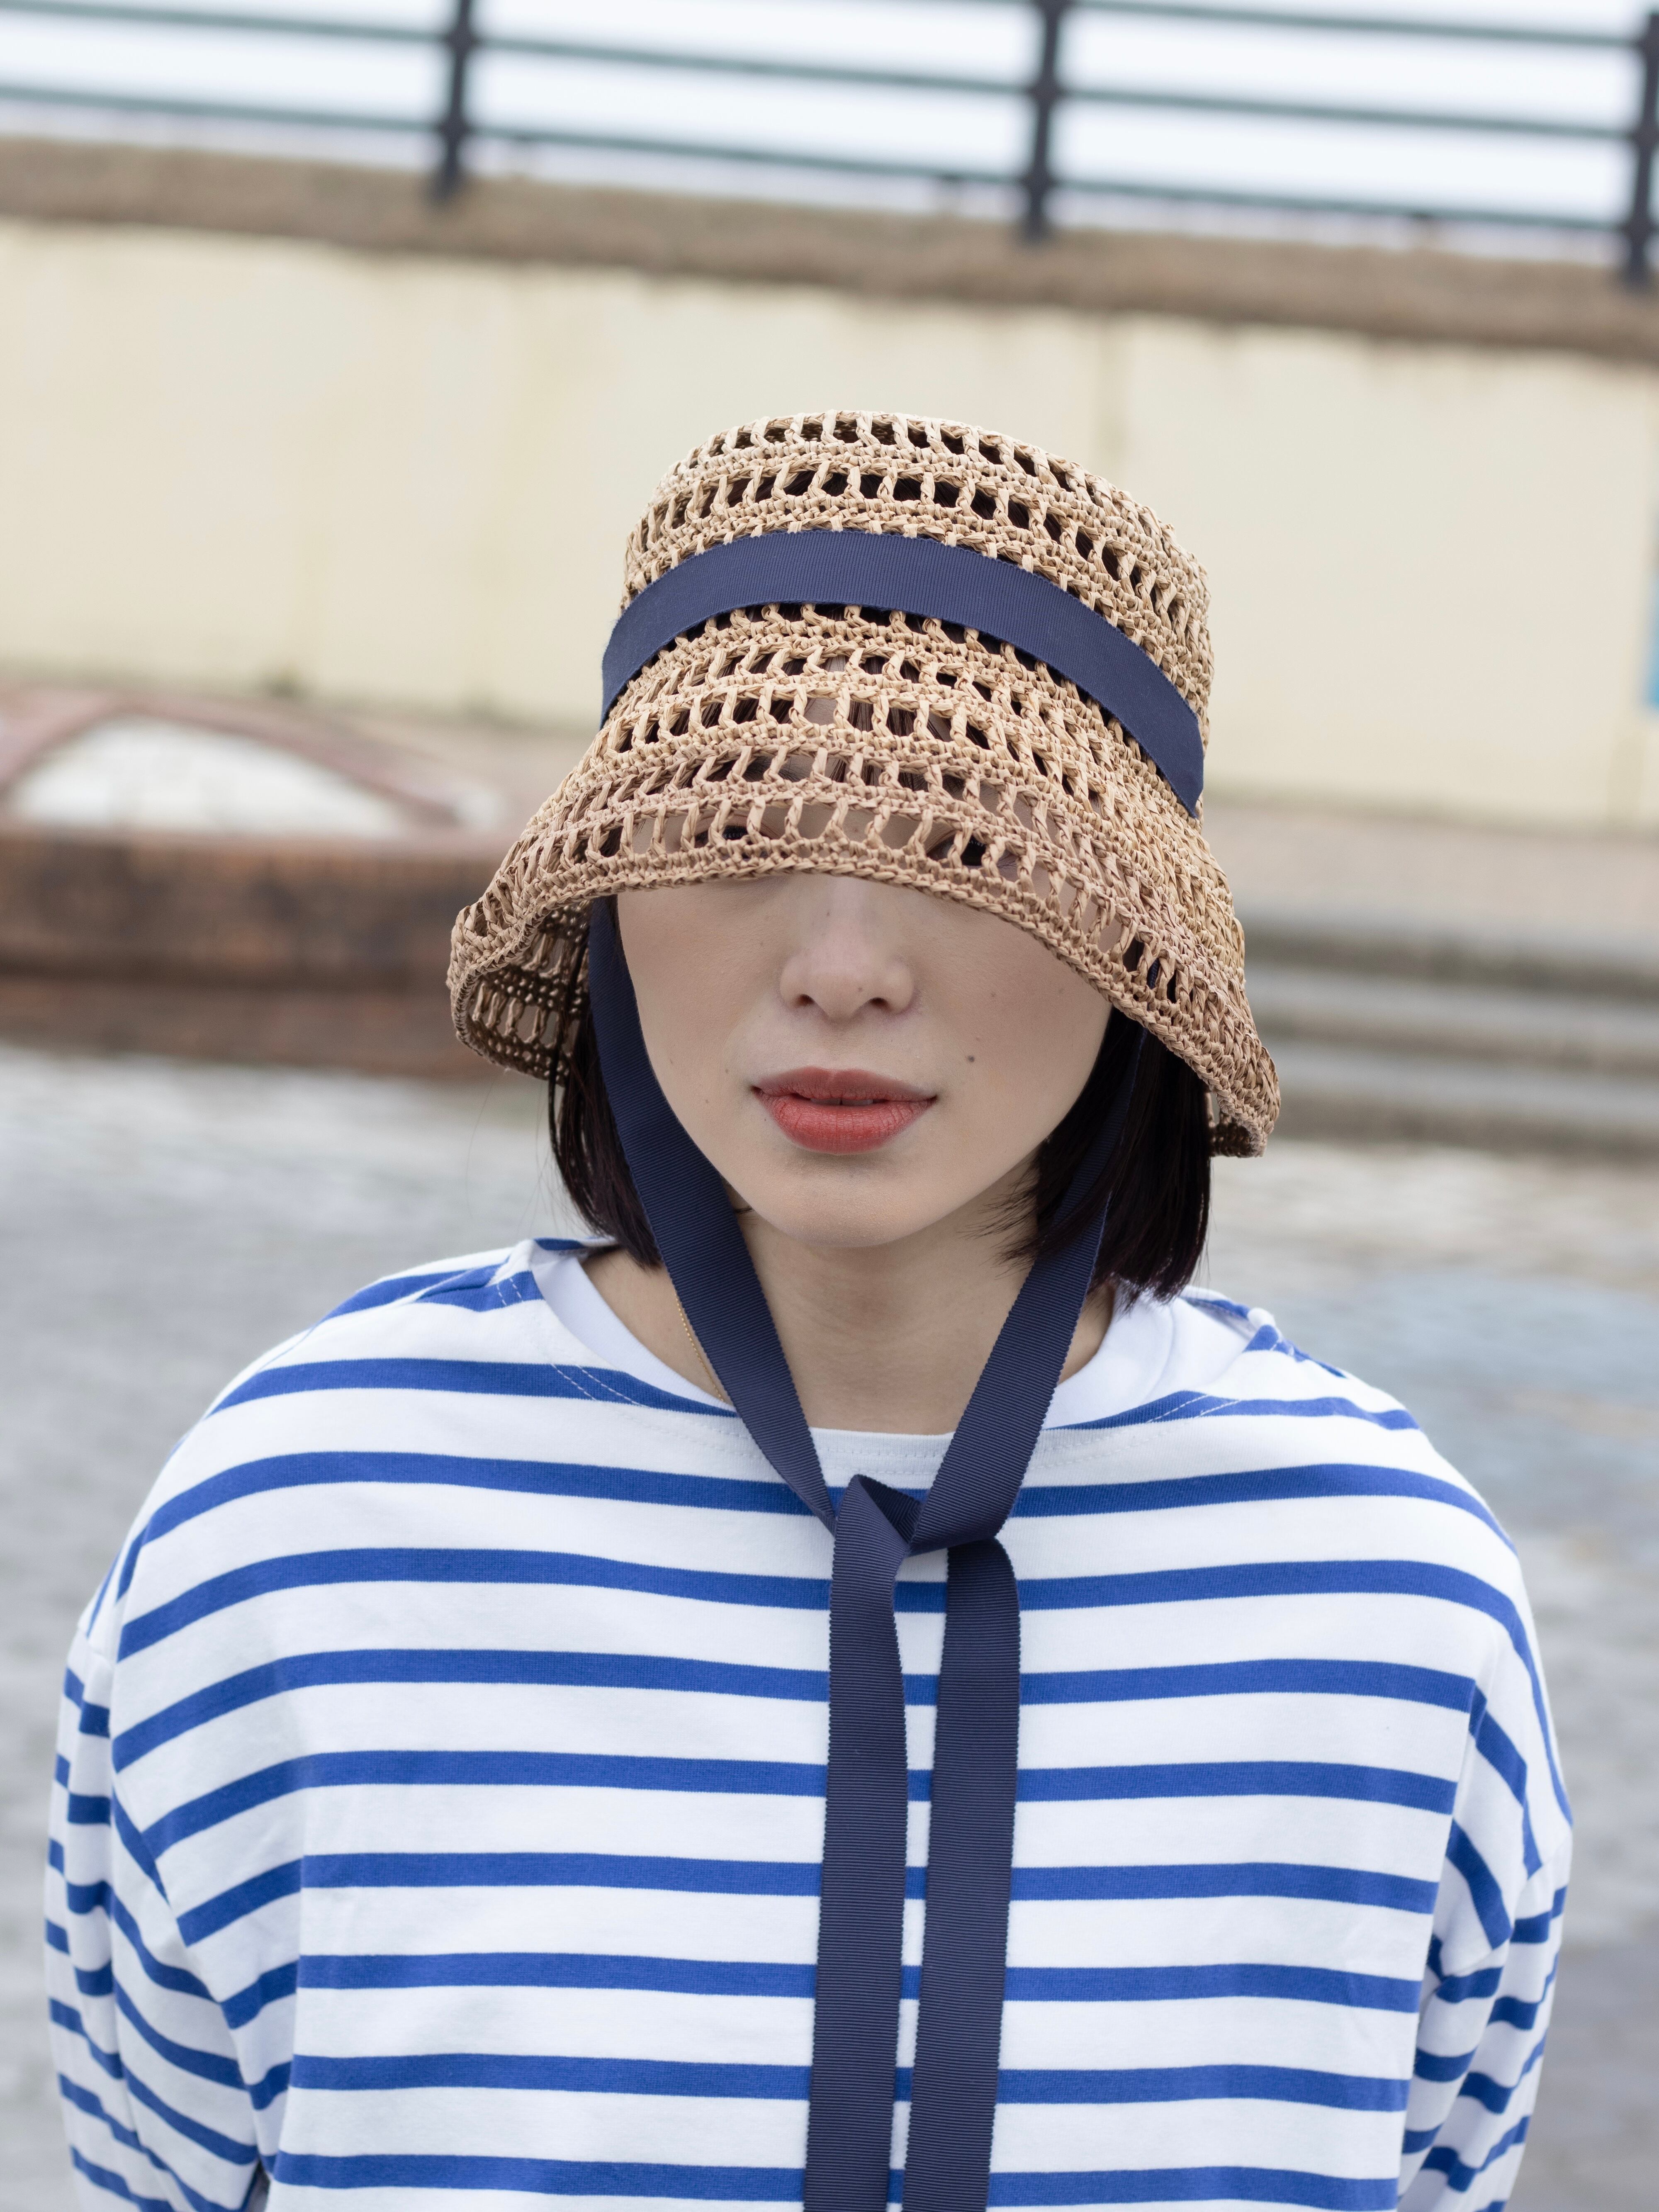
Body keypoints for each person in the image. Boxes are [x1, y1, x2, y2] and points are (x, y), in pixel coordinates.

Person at [47, 411, 1567, 2212]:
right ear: (616, 893)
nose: (845, 969)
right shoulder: (297, 1525)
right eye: (745, 821)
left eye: (962, 839)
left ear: (1129, 939)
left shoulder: (1386, 1594)